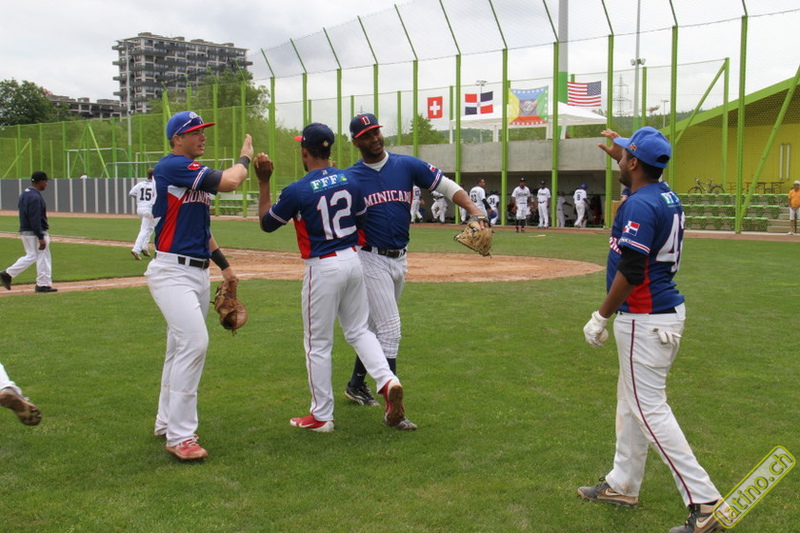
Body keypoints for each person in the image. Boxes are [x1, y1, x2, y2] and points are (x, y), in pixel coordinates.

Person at [579, 126, 727, 533]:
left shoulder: (640, 205)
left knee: (649, 411)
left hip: (644, 318)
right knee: (631, 403)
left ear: (634, 163)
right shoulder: (662, 194)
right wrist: (626, 160)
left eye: (626, 154)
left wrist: (601, 316)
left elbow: (631, 270)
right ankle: (622, 484)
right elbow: (640, 188)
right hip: (661, 314)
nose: (621, 157)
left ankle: (705, 502)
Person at [256, 123, 407, 432]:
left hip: (323, 266)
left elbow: (266, 224)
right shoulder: (350, 180)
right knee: (360, 331)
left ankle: (322, 416)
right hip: (353, 260)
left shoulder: (298, 189)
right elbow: (362, 219)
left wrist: (264, 182)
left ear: (305, 152)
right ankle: (387, 380)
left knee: (318, 344)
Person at [342, 113, 486, 429]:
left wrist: (474, 210)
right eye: (366, 135)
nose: (375, 138)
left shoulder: (406, 165)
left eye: (376, 132)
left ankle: (355, 384)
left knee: (373, 327)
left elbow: (447, 186)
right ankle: (394, 409)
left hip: (400, 258)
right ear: (356, 142)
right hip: (369, 258)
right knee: (390, 328)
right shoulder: (351, 178)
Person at [145, 110, 253, 461]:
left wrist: (226, 267)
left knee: (179, 348)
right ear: (177, 139)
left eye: (203, 131)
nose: (202, 136)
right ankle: (181, 436)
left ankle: (165, 421)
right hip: (171, 272)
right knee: (195, 342)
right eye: (195, 132)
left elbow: (202, 232)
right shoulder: (173, 166)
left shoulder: (189, 175)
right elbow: (232, 181)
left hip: (196, 273)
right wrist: (245, 158)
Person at [0, 171, 57, 293]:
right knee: (41, 257)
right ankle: (42, 284)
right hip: (34, 232)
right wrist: (40, 236)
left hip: (26, 230)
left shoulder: (25, 194)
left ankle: (9, 274)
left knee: (33, 256)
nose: (46, 184)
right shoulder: (35, 197)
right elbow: (34, 217)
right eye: (45, 181)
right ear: (40, 182)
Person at [129, 168, 156, 260]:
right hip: (149, 209)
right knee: (144, 229)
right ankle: (136, 249)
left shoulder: (140, 184)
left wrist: (140, 200)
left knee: (150, 228)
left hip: (140, 208)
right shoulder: (155, 185)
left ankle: (144, 247)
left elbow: (132, 193)